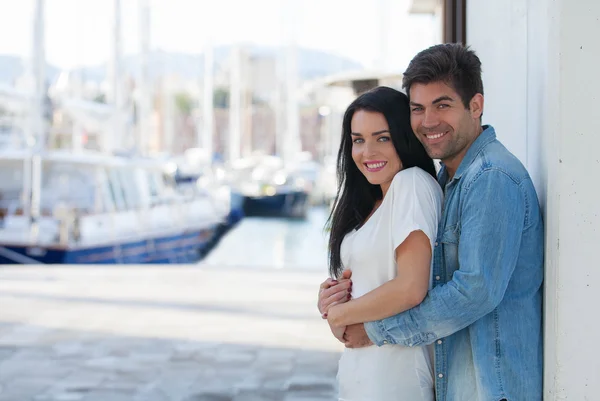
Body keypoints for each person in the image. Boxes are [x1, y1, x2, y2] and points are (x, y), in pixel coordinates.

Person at [318, 43, 544, 401]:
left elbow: (473, 292)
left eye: (443, 105)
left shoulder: (492, 178)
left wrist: (375, 330)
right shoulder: (446, 182)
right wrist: (342, 304)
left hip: (490, 388)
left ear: (476, 105)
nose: (428, 121)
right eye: (418, 108)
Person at [322, 86, 444, 400]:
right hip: (361, 377)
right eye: (358, 140)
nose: (368, 152)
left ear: (404, 137)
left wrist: (341, 315)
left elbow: (410, 288)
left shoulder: (412, 183)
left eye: (383, 138)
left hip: (395, 380)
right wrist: (332, 302)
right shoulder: (373, 203)